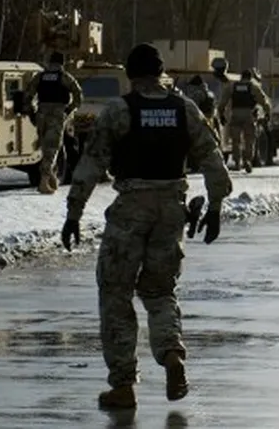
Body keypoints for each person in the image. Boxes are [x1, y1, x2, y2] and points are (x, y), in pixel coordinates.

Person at [61, 43, 233, 411]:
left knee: (115, 292)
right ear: (161, 73)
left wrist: (73, 212)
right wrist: (216, 205)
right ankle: (172, 355)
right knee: (159, 291)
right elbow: (213, 158)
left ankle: (123, 385)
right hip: (172, 209)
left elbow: (91, 163)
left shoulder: (120, 111)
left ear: (131, 74)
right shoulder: (184, 109)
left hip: (131, 209)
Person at [23, 51, 84, 194]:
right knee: (53, 148)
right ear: (61, 63)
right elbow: (78, 96)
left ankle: (52, 178)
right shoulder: (64, 77)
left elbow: (27, 95)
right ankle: (44, 181)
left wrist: (31, 112)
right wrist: (69, 110)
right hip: (57, 115)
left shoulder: (40, 77)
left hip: (41, 114)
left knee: (47, 147)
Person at [217, 69, 271, 173]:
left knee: (236, 140)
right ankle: (247, 161)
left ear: (241, 77)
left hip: (235, 114)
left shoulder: (232, 86)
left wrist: (221, 114)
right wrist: (267, 113)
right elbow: (264, 101)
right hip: (249, 115)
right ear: (250, 77)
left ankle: (237, 162)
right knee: (249, 140)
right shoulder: (253, 86)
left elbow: (222, 101)